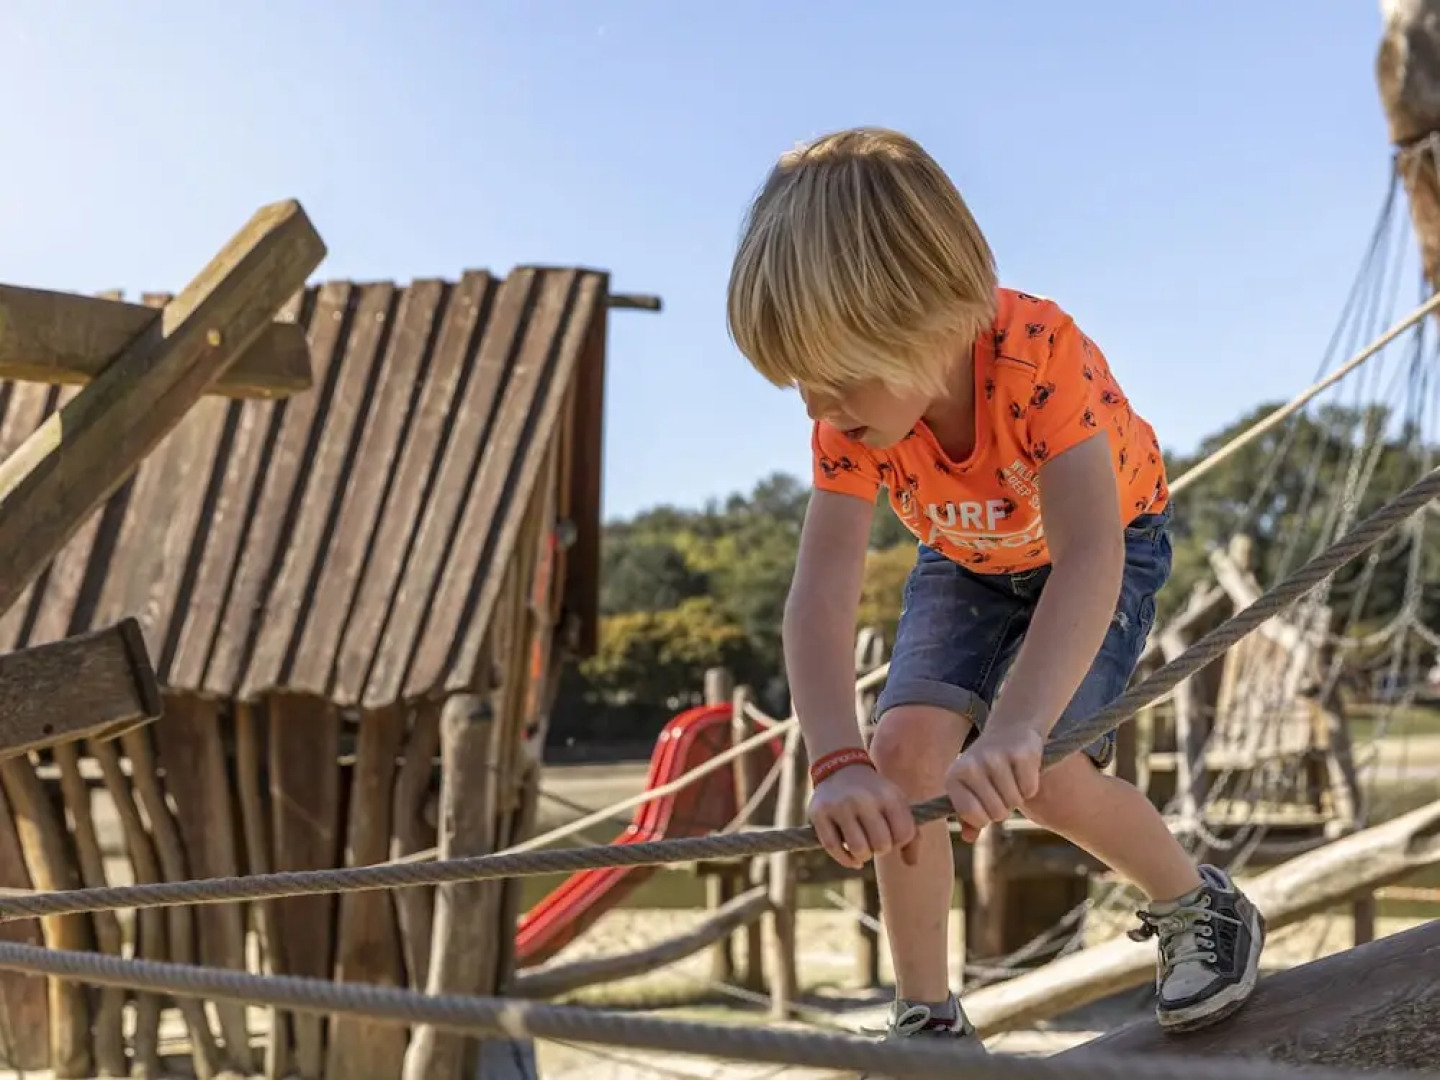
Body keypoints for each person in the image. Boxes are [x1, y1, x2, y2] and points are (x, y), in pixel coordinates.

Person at [724, 126, 1265, 1046]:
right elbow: (819, 595)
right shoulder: (851, 426)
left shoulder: (1038, 356)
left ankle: (1196, 904)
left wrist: (1015, 724)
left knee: (1045, 769)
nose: (817, 410)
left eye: (836, 381)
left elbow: (1090, 553)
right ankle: (927, 1013)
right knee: (900, 753)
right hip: (967, 560)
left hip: (1101, 544)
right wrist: (835, 761)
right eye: (803, 387)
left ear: (923, 325)